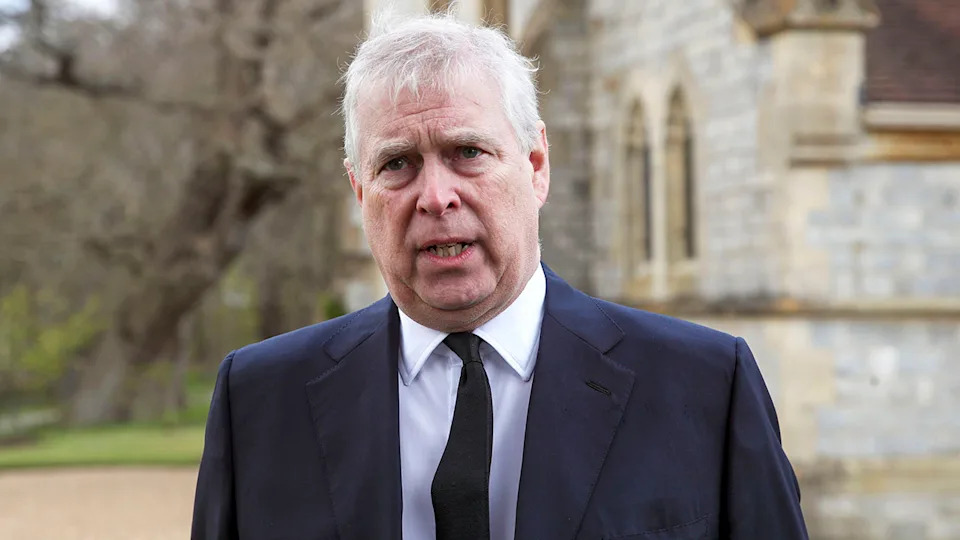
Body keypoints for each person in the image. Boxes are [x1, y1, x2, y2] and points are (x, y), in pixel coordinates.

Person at [191, 12, 809, 540]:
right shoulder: (259, 402)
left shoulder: (704, 386)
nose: (436, 197)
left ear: (536, 165)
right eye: (398, 164)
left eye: (468, 153)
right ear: (360, 192)